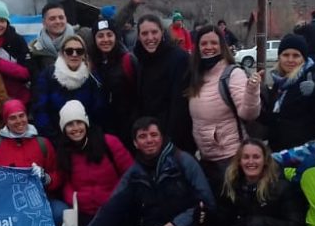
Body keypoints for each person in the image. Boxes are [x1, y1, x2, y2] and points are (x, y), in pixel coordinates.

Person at [62, 118, 217, 226]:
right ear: (135, 143)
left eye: (153, 135)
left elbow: (208, 203)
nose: (149, 140)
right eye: (143, 136)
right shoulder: (135, 172)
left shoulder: (184, 161)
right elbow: (109, 210)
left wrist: (175, 224)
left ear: (162, 137)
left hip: (189, 224)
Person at [52, 100, 134, 226]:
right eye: (70, 125)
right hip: (84, 206)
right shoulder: (63, 151)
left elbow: (130, 172)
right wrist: (74, 197)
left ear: (86, 123)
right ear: (63, 129)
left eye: (79, 122)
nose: (75, 128)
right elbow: (65, 180)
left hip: (112, 203)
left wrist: (117, 197)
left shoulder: (109, 142)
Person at [186, 27, 262, 193]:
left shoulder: (232, 74)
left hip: (230, 158)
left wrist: (251, 91)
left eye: (214, 42)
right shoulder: (197, 76)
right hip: (206, 159)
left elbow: (248, 113)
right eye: (203, 43)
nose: (208, 47)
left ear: (223, 46)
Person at [258, 34, 315, 152]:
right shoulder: (279, 84)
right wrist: (254, 94)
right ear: (279, 57)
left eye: (296, 55)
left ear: (303, 58)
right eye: (286, 55)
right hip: (279, 153)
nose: (290, 60)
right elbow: (272, 119)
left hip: (304, 154)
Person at [132, 14, 195, 153]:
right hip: (150, 138)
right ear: (139, 36)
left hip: (175, 140)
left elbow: (179, 105)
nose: (150, 38)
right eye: (144, 33)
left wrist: (168, 141)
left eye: (154, 32)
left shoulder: (179, 58)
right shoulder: (141, 59)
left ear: (162, 32)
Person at [30, 34, 106, 140]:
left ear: (84, 54)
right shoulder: (48, 75)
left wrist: (89, 136)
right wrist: (53, 137)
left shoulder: (92, 77)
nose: (74, 54)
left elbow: (98, 110)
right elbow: (40, 109)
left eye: (79, 51)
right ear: (62, 53)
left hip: (86, 137)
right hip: (55, 137)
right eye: (69, 51)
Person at [90, 16, 136, 144]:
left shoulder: (127, 60)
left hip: (127, 127)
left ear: (116, 37)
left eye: (109, 35)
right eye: (100, 36)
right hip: (102, 127)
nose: (105, 40)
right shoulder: (92, 63)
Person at [28, 3, 77, 74]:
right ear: (44, 22)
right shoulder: (34, 50)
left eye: (61, 17)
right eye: (52, 19)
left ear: (66, 19)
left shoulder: (82, 39)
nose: (58, 21)